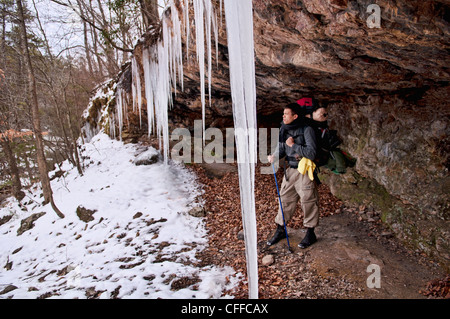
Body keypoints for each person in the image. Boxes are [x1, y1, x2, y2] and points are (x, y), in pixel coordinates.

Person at [267, 102, 320, 249]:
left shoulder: (307, 129)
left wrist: (293, 146)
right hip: (290, 171)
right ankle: (280, 230)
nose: (283, 116)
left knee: (308, 201)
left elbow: (311, 152)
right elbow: (281, 148)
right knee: (284, 199)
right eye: (283, 114)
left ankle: (310, 233)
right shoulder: (284, 129)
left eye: (286, 114)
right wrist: (274, 156)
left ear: (295, 116)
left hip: (304, 171)